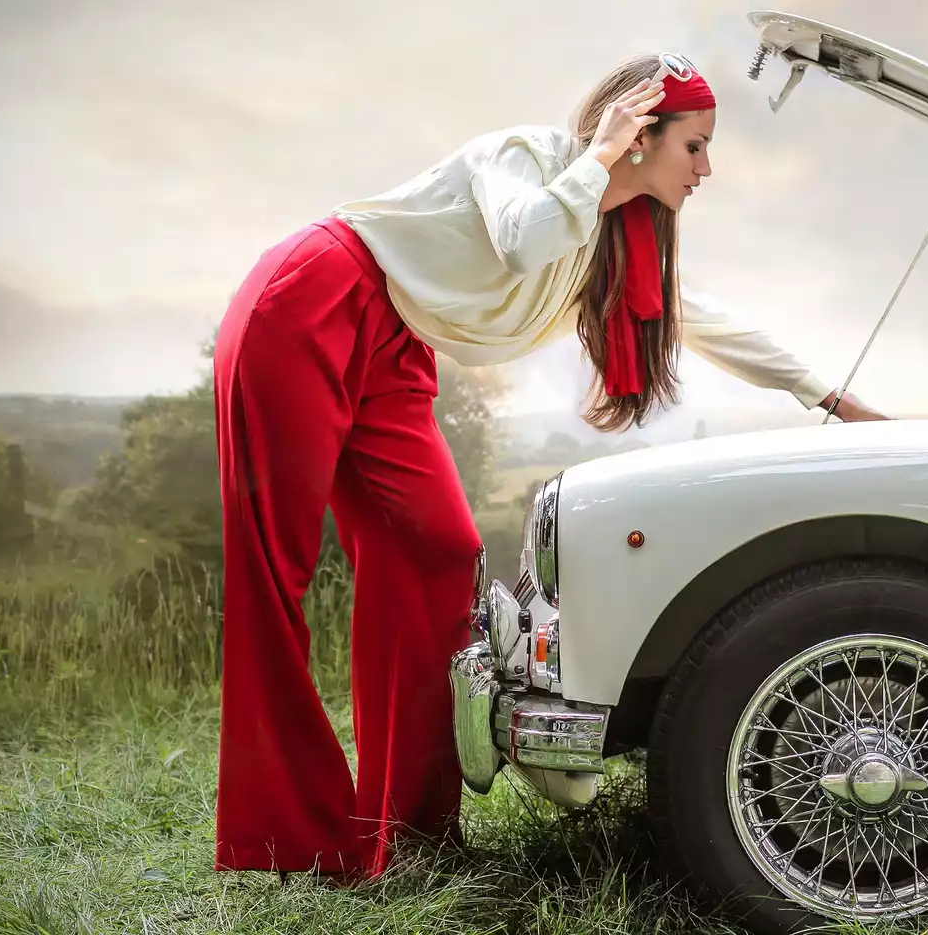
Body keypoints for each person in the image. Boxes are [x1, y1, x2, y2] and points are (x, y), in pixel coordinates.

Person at [209, 51, 887, 880]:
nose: (706, 170)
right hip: (313, 296)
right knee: (273, 568)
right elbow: (523, 240)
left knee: (437, 554)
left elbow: (702, 318)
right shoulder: (524, 158)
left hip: (395, 338)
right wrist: (598, 153)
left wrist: (831, 397)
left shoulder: (611, 242)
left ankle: (410, 831)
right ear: (640, 135)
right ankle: (295, 838)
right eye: (695, 146)